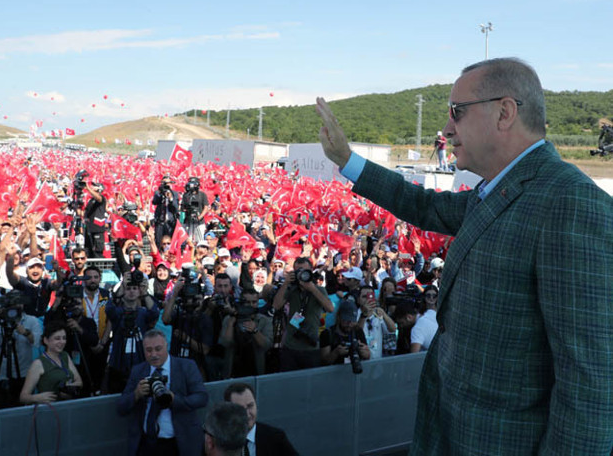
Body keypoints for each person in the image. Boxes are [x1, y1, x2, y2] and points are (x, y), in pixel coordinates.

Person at [316, 57, 613, 454]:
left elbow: (589, 389)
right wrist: (347, 160)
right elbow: (419, 204)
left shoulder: (570, 204)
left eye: (457, 111)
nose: (446, 128)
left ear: (504, 112)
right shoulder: (495, 191)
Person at [116, 329, 208, 456]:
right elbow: (121, 407)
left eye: (158, 349)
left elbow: (202, 398)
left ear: (167, 346)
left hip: (180, 442)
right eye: (148, 350)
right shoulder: (138, 371)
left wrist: (174, 399)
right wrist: (136, 395)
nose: (154, 354)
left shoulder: (186, 366)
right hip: (147, 443)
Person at [272, 257, 334, 371]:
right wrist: (286, 284)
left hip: (311, 346)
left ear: (311, 270)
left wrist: (312, 289)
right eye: (298, 271)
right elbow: (276, 305)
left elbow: (330, 308)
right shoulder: (292, 289)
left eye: (304, 271)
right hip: (290, 346)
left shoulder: (319, 290)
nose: (301, 274)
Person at [223, 382, 299, 456]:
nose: (247, 414)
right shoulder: (219, 443)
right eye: (240, 409)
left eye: (250, 406)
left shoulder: (276, 438)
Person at [19, 321, 82, 404]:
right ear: (46, 340)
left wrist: (67, 389)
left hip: (68, 406)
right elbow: (23, 397)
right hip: (50, 410)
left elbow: (79, 382)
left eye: (64, 338)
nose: (62, 342)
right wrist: (36, 397)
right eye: (57, 338)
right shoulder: (38, 364)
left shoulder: (65, 356)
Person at [152, 174, 179, 250]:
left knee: (170, 240)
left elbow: (176, 208)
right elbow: (154, 202)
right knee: (159, 241)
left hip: (170, 222)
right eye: (164, 183)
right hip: (160, 221)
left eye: (167, 183)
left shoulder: (175, 194)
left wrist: (170, 198)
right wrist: (161, 194)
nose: (166, 185)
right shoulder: (158, 193)